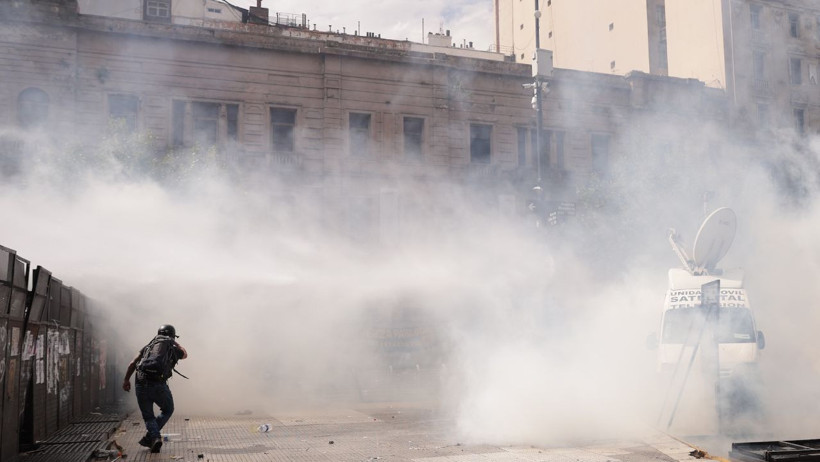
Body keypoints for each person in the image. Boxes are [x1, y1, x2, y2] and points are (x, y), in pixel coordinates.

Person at [122, 324, 188, 453]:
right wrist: (177, 344)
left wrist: (126, 380)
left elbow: (132, 363)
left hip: (141, 383)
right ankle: (152, 436)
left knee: (148, 416)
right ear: (173, 336)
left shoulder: (148, 347)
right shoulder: (172, 347)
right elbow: (185, 355)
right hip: (159, 385)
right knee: (168, 409)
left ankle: (153, 437)